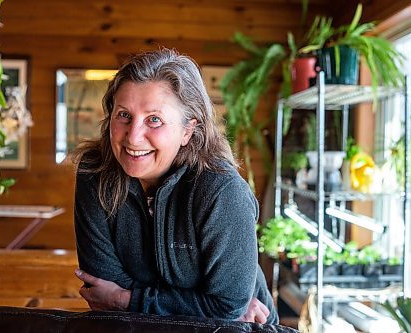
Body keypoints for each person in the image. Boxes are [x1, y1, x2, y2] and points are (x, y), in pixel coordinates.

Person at [73, 48, 278, 324]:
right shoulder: (94, 173)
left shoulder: (221, 190)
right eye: (124, 115)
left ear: (187, 131)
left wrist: (125, 299)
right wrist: (203, 306)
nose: (133, 137)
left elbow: (226, 304)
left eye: (154, 119)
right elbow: (102, 283)